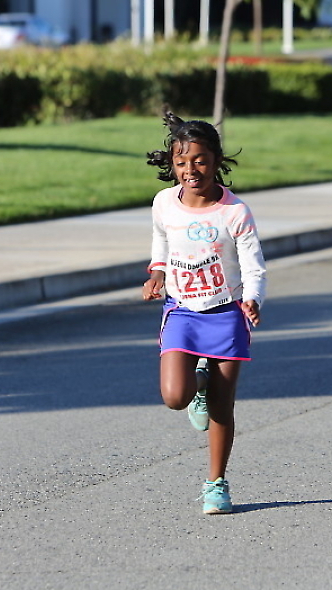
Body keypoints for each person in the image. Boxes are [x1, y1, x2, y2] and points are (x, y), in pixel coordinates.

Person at [142, 111, 266, 515]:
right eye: (181, 162)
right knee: (174, 397)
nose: (190, 170)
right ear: (172, 164)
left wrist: (253, 299)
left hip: (227, 312)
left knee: (221, 406)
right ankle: (197, 385)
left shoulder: (235, 212)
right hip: (182, 310)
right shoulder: (164, 203)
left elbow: (253, 266)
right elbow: (161, 240)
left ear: (216, 161)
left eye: (200, 161)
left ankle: (216, 484)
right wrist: (157, 273)